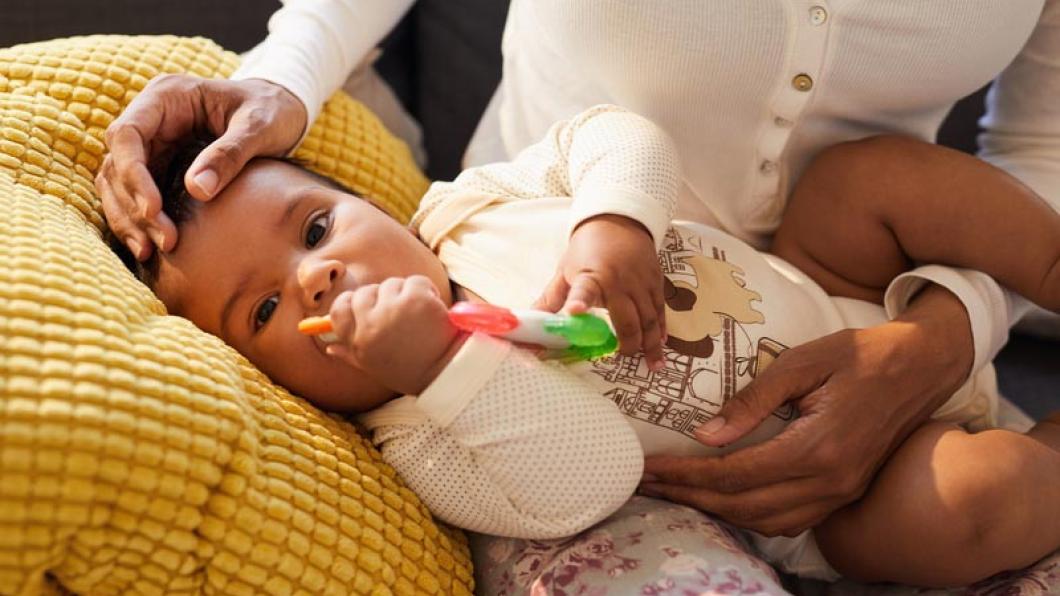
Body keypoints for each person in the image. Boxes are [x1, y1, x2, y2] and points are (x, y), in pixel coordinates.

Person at [96, 0, 1060, 586]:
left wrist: (617, 222)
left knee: (870, 180)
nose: (316, 274)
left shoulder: (471, 208)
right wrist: (437, 364)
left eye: (315, 229)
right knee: (961, 511)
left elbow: (616, 135)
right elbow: (586, 478)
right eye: (266, 312)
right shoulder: (424, 434)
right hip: (820, 495)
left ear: (377, 204)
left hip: (837, 271)